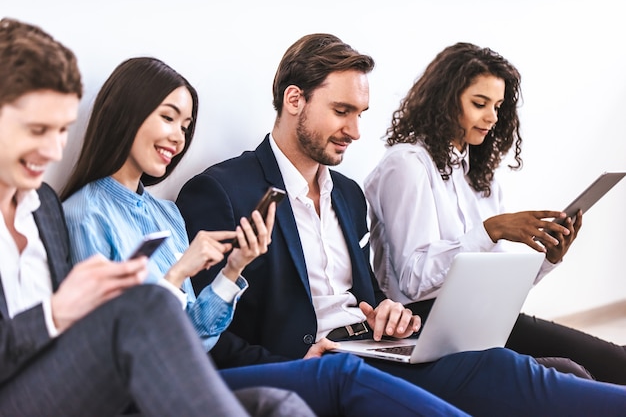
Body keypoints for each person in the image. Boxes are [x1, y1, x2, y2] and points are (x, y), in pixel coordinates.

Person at [176, 32, 626, 416]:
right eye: (341, 111)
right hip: (319, 362)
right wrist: (295, 361)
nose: (354, 131)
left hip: (377, 346)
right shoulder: (223, 190)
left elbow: (372, 297)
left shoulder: (348, 195)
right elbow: (207, 332)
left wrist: (390, 312)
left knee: (552, 371)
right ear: (295, 99)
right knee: (501, 370)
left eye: (360, 114)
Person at [61, 55, 474, 417]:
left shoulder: (164, 212)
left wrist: (233, 269)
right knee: (343, 375)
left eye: (185, 125)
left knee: (477, 360)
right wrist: (179, 274)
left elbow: (198, 332)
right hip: (156, 383)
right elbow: (119, 340)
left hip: (200, 366)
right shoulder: (86, 212)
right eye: (168, 118)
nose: (178, 137)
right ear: (126, 113)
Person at [0, 16, 315, 417]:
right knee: (146, 303)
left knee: (278, 404)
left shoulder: (41, 206)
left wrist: (233, 269)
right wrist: (57, 313)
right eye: (37, 129)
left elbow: (188, 339)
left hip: (88, 376)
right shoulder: (81, 211)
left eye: (62, 130)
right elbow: (109, 333)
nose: (54, 151)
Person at [362, 42, 626, 385]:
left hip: (483, 317)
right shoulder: (407, 165)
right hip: (427, 324)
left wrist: (548, 259)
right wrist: (490, 231)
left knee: (615, 360)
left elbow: (495, 284)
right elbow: (414, 282)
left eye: (498, 106)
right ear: (445, 99)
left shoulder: (478, 175)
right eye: (479, 103)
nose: (492, 117)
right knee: (580, 372)